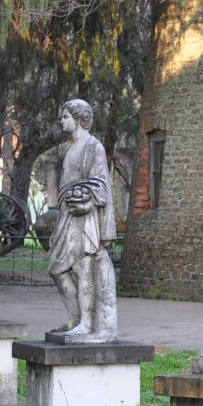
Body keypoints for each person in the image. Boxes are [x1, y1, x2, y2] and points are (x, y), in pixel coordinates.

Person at [48, 99, 118, 341]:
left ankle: (87, 323)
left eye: (66, 116)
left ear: (78, 120)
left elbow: (101, 184)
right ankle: (75, 318)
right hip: (67, 215)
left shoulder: (93, 147)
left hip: (85, 217)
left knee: (84, 268)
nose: (61, 121)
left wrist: (88, 203)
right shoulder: (68, 148)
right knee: (57, 268)